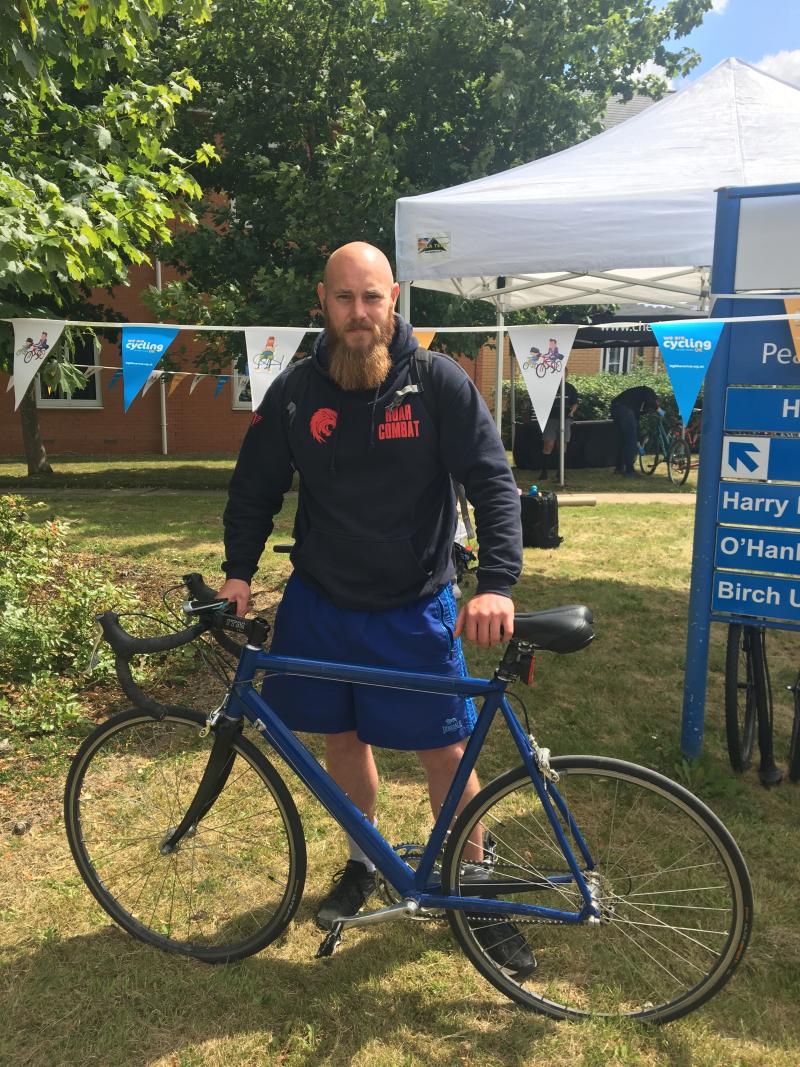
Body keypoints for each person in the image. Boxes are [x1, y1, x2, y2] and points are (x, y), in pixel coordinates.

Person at [217, 242, 534, 977]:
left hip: (413, 607)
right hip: (322, 604)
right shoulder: (295, 391)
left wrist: (497, 581)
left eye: (372, 298)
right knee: (341, 737)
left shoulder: (439, 383)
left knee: (446, 753)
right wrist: (238, 571)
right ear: (321, 304)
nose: (359, 314)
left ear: (394, 298)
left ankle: (477, 889)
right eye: (344, 299)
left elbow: (492, 480)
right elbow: (253, 485)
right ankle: (363, 862)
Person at [610, 384, 662, 476]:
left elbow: (636, 423)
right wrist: (660, 410)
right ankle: (629, 470)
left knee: (624, 440)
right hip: (624, 409)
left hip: (615, 408)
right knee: (631, 442)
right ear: (656, 399)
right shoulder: (648, 391)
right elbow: (651, 402)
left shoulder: (636, 403)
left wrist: (638, 442)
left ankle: (619, 468)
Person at [539, 372, 578, 480]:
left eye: (564, 373)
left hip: (565, 419)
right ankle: (544, 472)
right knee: (549, 444)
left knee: (562, 445)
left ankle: (560, 473)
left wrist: (572, 411)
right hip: (551, 419)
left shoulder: (570, 388)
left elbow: (575, 403)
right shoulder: (549, 387)